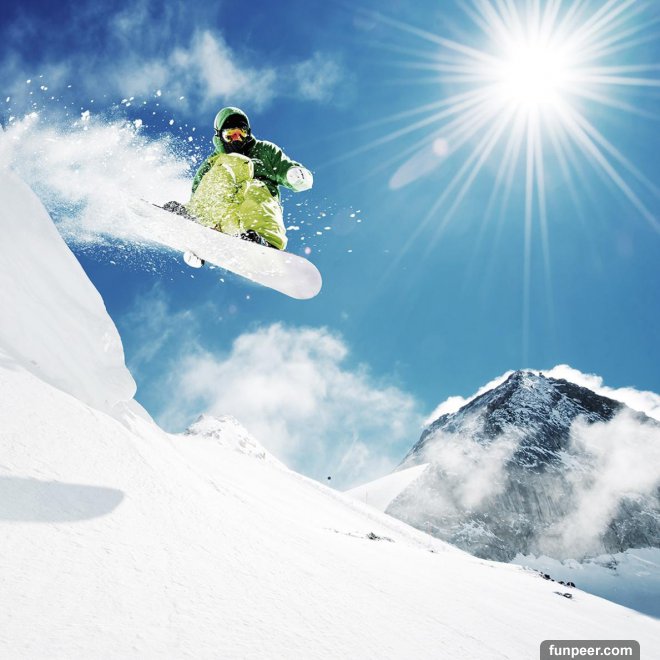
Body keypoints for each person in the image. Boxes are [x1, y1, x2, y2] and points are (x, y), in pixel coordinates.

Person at [165, 106, 313, 251]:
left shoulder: (264, 150)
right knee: (231, 162)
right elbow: (200, 190)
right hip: (220, 218)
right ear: (220, 136)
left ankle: (264, 240)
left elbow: (285, 168)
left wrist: (296, 175)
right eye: (230, 134)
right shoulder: (214, 161)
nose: (237, 139)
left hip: (252, 219)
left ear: (248, 133)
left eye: (241, 133)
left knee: (254, 188)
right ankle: (196, 217)